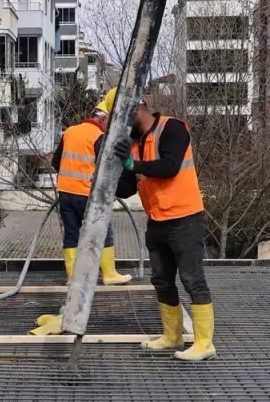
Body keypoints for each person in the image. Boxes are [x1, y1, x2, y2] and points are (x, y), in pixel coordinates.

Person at [116, 96, 215, 361]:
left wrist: (131, 165)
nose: (122, 123)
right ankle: (172, 336)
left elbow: (170, 167)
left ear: (138, 109)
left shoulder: (172, 129)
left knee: (192, 280)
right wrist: (109, 170)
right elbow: (126, 189)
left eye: (123, 115)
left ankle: (204, 343)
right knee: (161, 280)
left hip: (185, 218)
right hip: (157, 220)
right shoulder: (134, 143)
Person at [50, 86, 132, 286]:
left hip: (65, 193)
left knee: (71, 235)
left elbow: (55, 162)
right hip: (87, 194)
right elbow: (107, 168)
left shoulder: (70, 131)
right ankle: (110, 274)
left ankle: (73, 278)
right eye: (107, 122)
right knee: (103, 231)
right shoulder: (98, 137)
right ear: (103, 119)